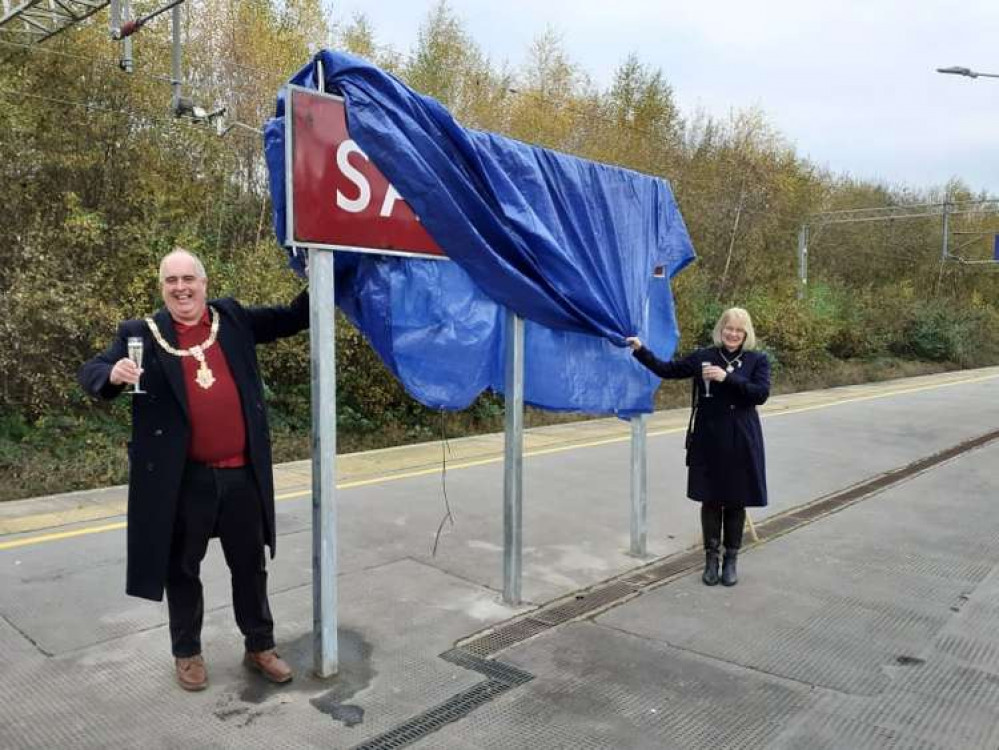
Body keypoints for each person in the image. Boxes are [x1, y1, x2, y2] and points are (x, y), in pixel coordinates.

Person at [78, 248, 309, 691]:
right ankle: (187, 654)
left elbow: (291, 318)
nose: (181, 288)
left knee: (250, 567)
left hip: (242, 474)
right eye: (171, 281)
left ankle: (260, 645)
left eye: (189, 279)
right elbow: (92, 371)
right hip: (184, 480)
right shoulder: (140, 334)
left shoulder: (233, 318)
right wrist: (113, 374)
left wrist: (331, 273)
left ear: (204, 282)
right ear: (162, 287)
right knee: (182, 570)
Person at [626, 307, 769, 587]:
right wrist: (641, 349)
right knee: (712, 499)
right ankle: (710, 559)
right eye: (729, 328)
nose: (733, 334)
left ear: (746, 333)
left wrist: (727, 378)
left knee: (736, 500)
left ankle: (731, 560)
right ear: (721, 329)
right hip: (709, 438)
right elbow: (668, 370)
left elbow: (760, 394)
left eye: (739, 330)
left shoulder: (757, 360)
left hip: (742, 438)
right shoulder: (704, 356)